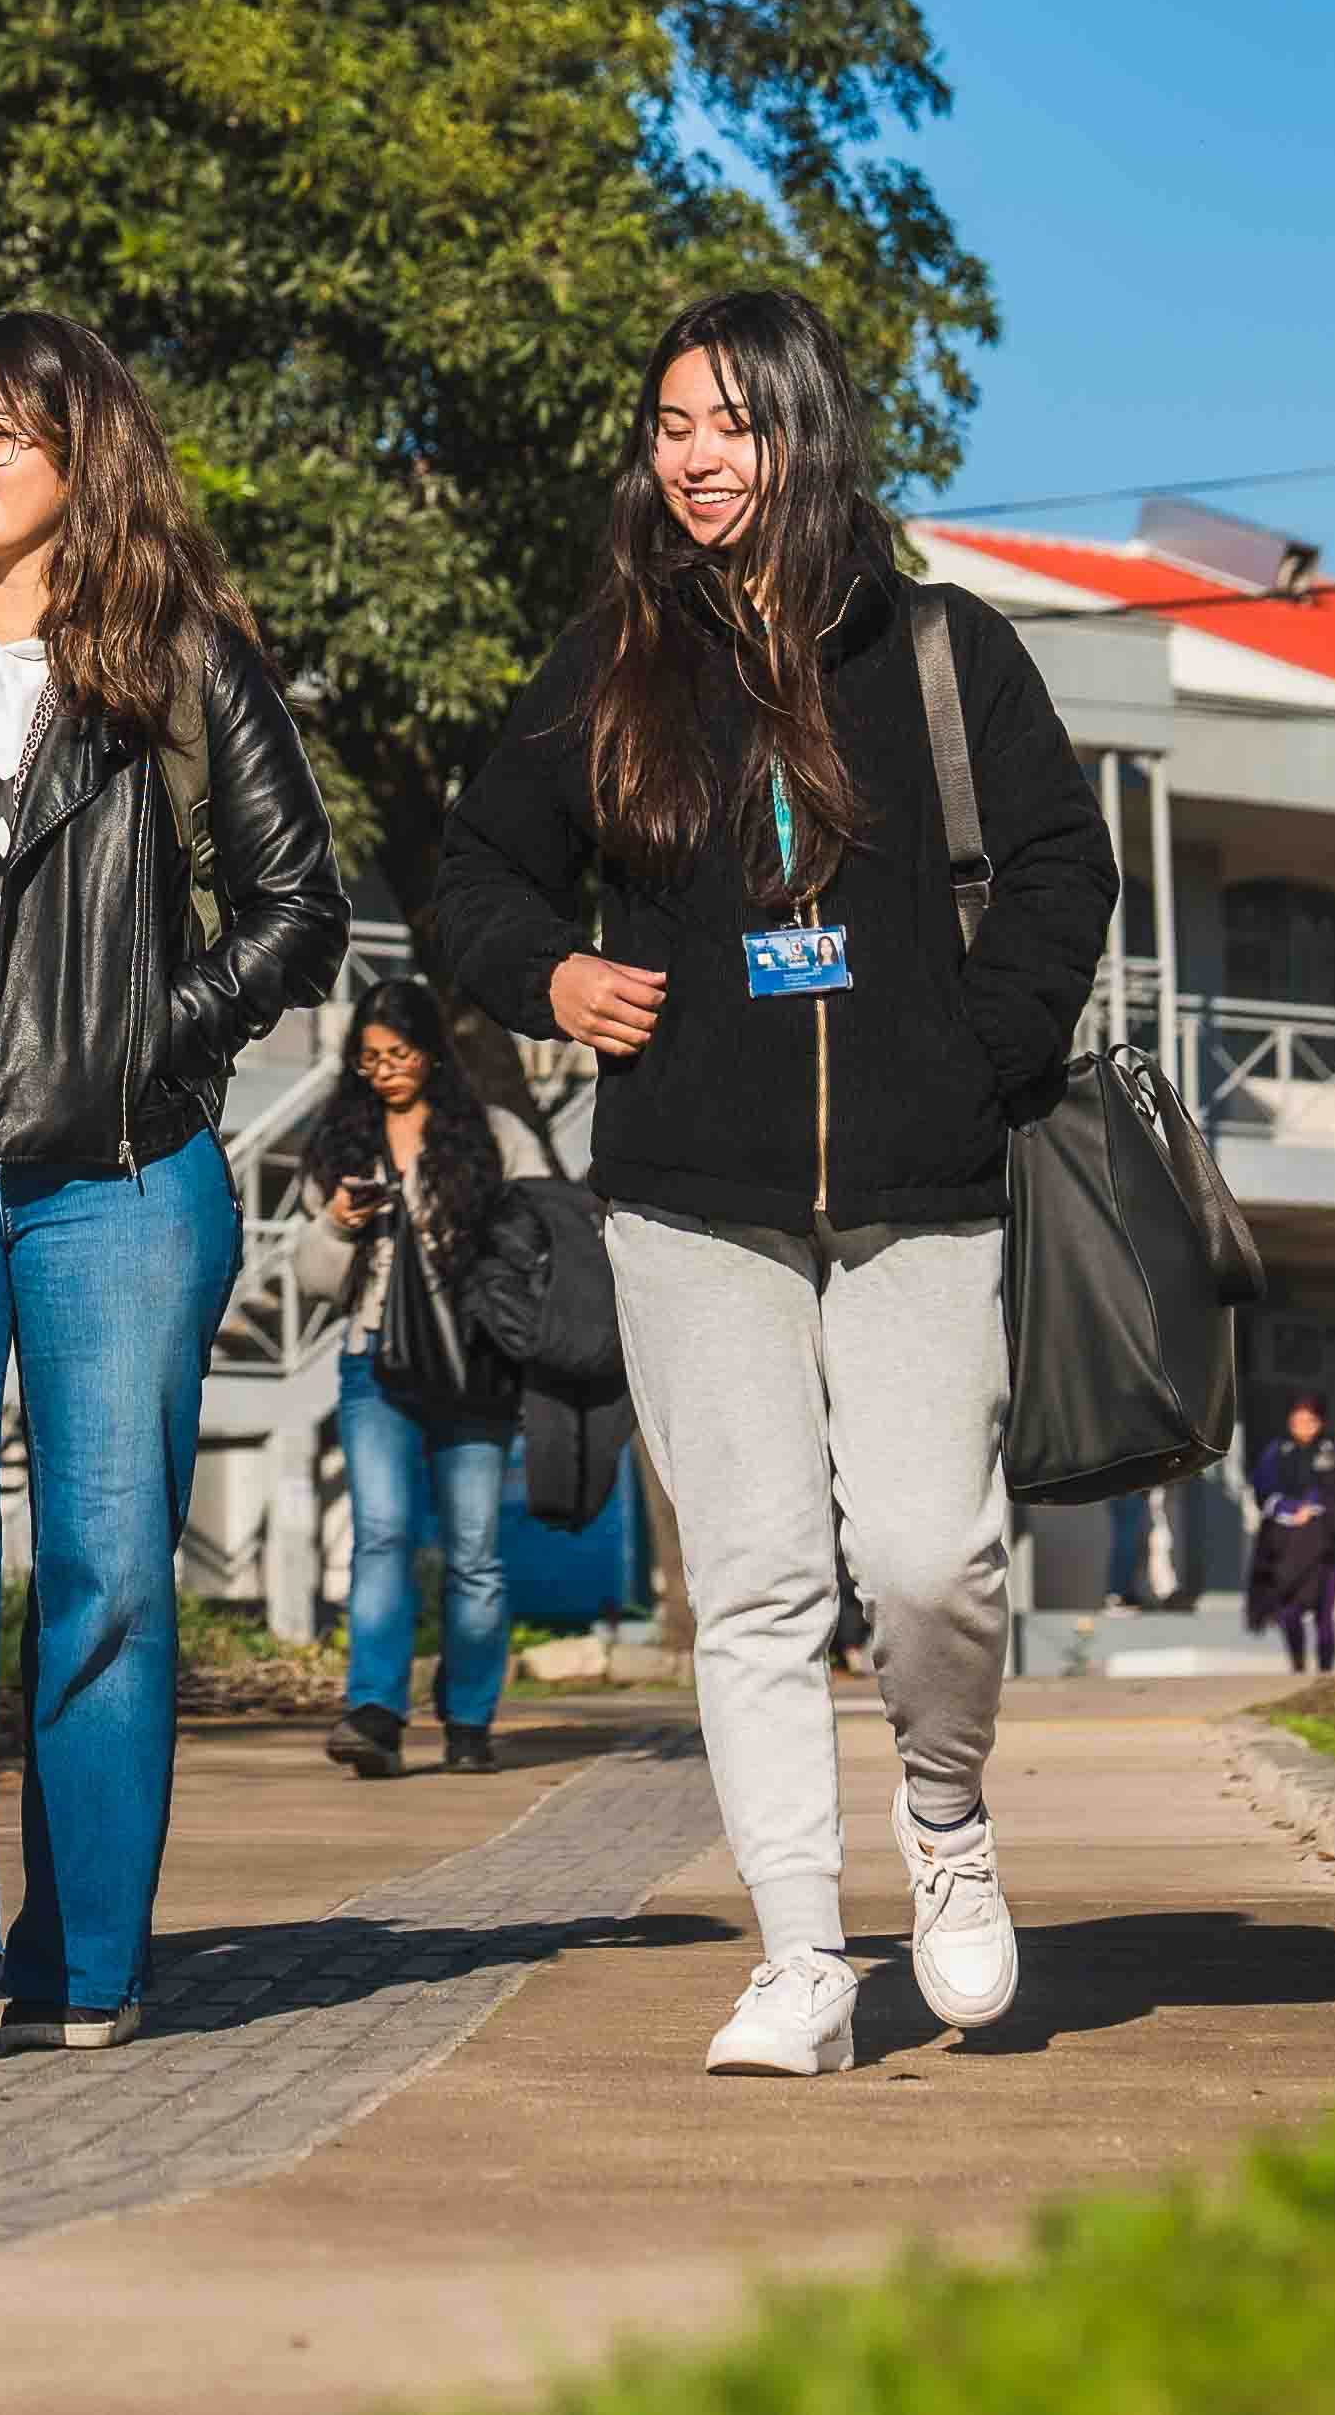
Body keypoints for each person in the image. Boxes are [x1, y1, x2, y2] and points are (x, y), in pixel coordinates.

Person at [434, 289, 1116, 2079]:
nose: (698, 458)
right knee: (751, 1581)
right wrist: (550, 975)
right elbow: (477, 873)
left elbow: (1063, 866)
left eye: (732, 422)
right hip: (689, 1191)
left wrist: (978, 1050)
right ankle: (802, 1950)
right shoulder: (613, 661)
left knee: (930, 1559)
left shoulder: (947, 648)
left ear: (805, 431)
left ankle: (945, 1812)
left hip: (921, 1186)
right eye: (672, 425)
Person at [0, 308, 346, 2062]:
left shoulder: (177, 662)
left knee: (107, 1566)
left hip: (120, 1175)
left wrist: (144, 1040)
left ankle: (86, 1959)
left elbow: (299, 908)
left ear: (80, 452)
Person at [297, 976, 553, 1780]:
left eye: (399, 1054)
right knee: (381, 1535)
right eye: (370, 1058)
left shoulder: (497, 1134)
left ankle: (469, 1717)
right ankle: (375, 1711)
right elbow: (311, 1280)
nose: (385, 1071)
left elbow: (546, 1233)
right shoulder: (340, 1143)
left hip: (474, 1361)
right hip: (374, 1357)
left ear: (432, 1051)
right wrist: (338, 1223)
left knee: (474, 1552)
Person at [1242, 1392, 1335, 1674]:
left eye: (1309, 1420)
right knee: (1289, 1610)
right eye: (1297, 1420)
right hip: (1287, 1544)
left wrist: (1316, 1504)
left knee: (1324, 1613)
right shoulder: (1278, 1450)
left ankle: (1325, 1672)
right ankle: (1298, 1666)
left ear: (1320, 1421)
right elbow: (1262, 1490)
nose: (1303, 1426)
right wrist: (1289, 1508)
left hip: (1329, 1544)